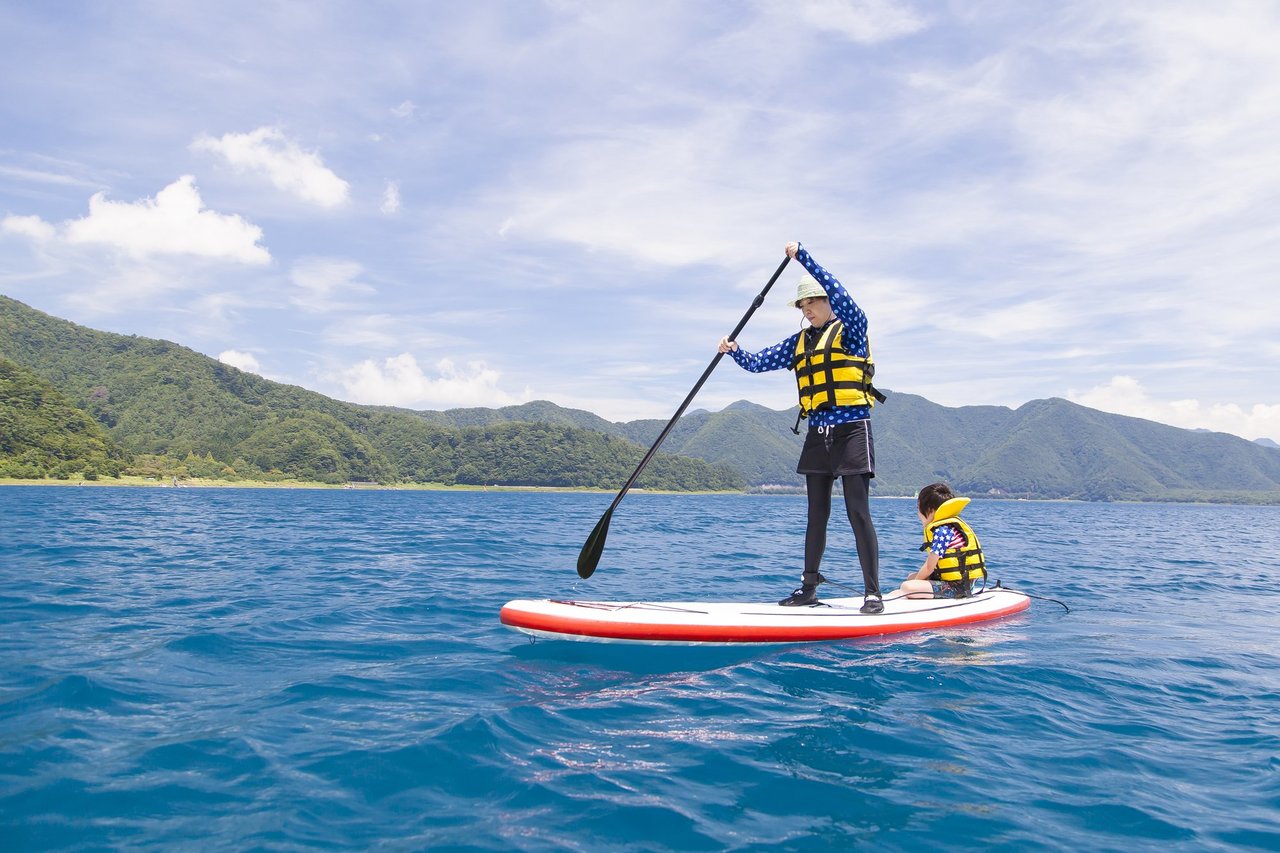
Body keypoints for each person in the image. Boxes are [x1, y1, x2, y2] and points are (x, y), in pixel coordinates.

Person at [718, 241, 885, 612]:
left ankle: (872, 592)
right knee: (816, 515)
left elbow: (845, 296)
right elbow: (759, 362)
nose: (808, 311)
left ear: (828, 303)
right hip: (818, 434)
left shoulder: (852, 330)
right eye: (803, 306)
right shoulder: (800, 342)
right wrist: (734, 350)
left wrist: (803, 258)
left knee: (858, 512)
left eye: (813, 303)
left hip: (852, 428)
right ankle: (808, 589)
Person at [901, 482, 987, 599]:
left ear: (930, 510)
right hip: (963, 583)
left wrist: (914, 584)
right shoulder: (949, 526)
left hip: (956, 589)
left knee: (908, 586)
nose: (918, 513)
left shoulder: (942, 531)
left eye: (919, 508)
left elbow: (929, 567)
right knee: (911, 577)